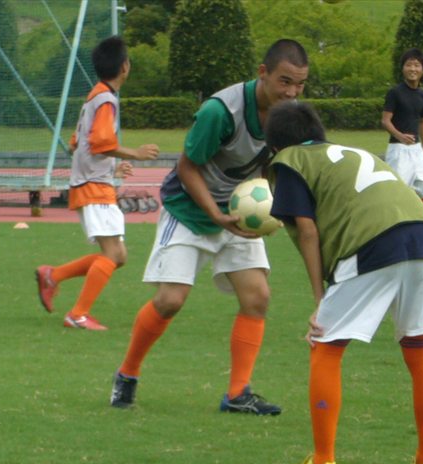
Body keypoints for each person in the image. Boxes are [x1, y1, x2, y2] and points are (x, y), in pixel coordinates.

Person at [109, 39, 309, 413]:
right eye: (284, 82)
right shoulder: (220, 111)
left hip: (239, 211)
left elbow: (273, 164)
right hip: (190, 209)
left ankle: (237, 394)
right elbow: (187, 167)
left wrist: (271, 205)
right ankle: (127, 374)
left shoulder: (287, 116)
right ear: (263, 73)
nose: (291, 93)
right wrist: (216, 215)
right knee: (170, 300)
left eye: (299, 84)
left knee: (258, 297)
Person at [265, 100, 423, 464]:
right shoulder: (350, 151)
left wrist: (320, 299)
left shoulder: (290, 159)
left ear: (276, 146)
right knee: (420, 347)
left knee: (325, 344)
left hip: (372, 240)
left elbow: (307, 231)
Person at [34, 36, 159, 331]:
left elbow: (77, 143)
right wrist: (135, 153)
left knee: (119, 256)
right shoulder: (105, 99)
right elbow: (100, 142)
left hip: (93, 183)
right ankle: (77, 314)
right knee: (113, 254)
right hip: (93, 187)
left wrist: (112, 166)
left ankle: (53, 275)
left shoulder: (96, 96)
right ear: (125, 66)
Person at [381, 48, 423, 219]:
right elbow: (385, 121)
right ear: (403, 68)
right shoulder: (395, 93)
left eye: (416, 65)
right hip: (398, 151)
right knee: (397, 194)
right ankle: (393, 226)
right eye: (408, 65)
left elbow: (422, 122)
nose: (413, 69)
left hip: (417, 151)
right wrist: (400, 136)